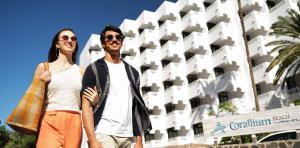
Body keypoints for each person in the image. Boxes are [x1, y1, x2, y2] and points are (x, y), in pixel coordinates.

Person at [81, 25, 152, 148]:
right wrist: (92, 139)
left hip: (128, 136)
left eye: (118, 37)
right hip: (103, 132)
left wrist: (139, 140)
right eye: (109, 37)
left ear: (121, 42)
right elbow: (85, 106)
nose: (114, 40)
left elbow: (136, 107)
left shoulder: (133, 72)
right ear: (103, 44)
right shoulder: (94, 69)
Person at [35, 28, 96, 148]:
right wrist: (41, 82)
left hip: (74, 121)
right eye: (65, 37)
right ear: (57, 44)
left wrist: (95, 101)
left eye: (73, 38)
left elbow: (86, 104)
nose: (70, 40)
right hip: (49, 119)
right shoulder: (44, 67)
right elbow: (35, 99)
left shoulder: (81, 71)